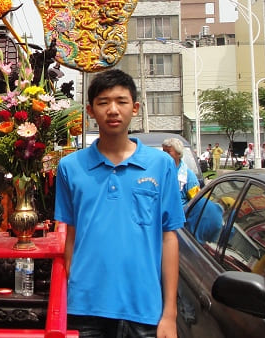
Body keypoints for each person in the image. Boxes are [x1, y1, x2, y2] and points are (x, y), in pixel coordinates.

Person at [55, 69, 184, 338]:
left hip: (144, 309)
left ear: (135, 107)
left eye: (121, 101)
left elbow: (168, 237)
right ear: (90, 110)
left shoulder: (160, 166)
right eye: (103, 102)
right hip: (85, 309)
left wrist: (169, 314)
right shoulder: (70, 167)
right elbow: (69, 234)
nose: (113, 110)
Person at [162, 137, 200, 205]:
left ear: (178, 154)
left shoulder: (188, 176)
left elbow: (196, 202)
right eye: (164, 151)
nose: (165, 154)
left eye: (168, 152)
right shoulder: (159, 172)